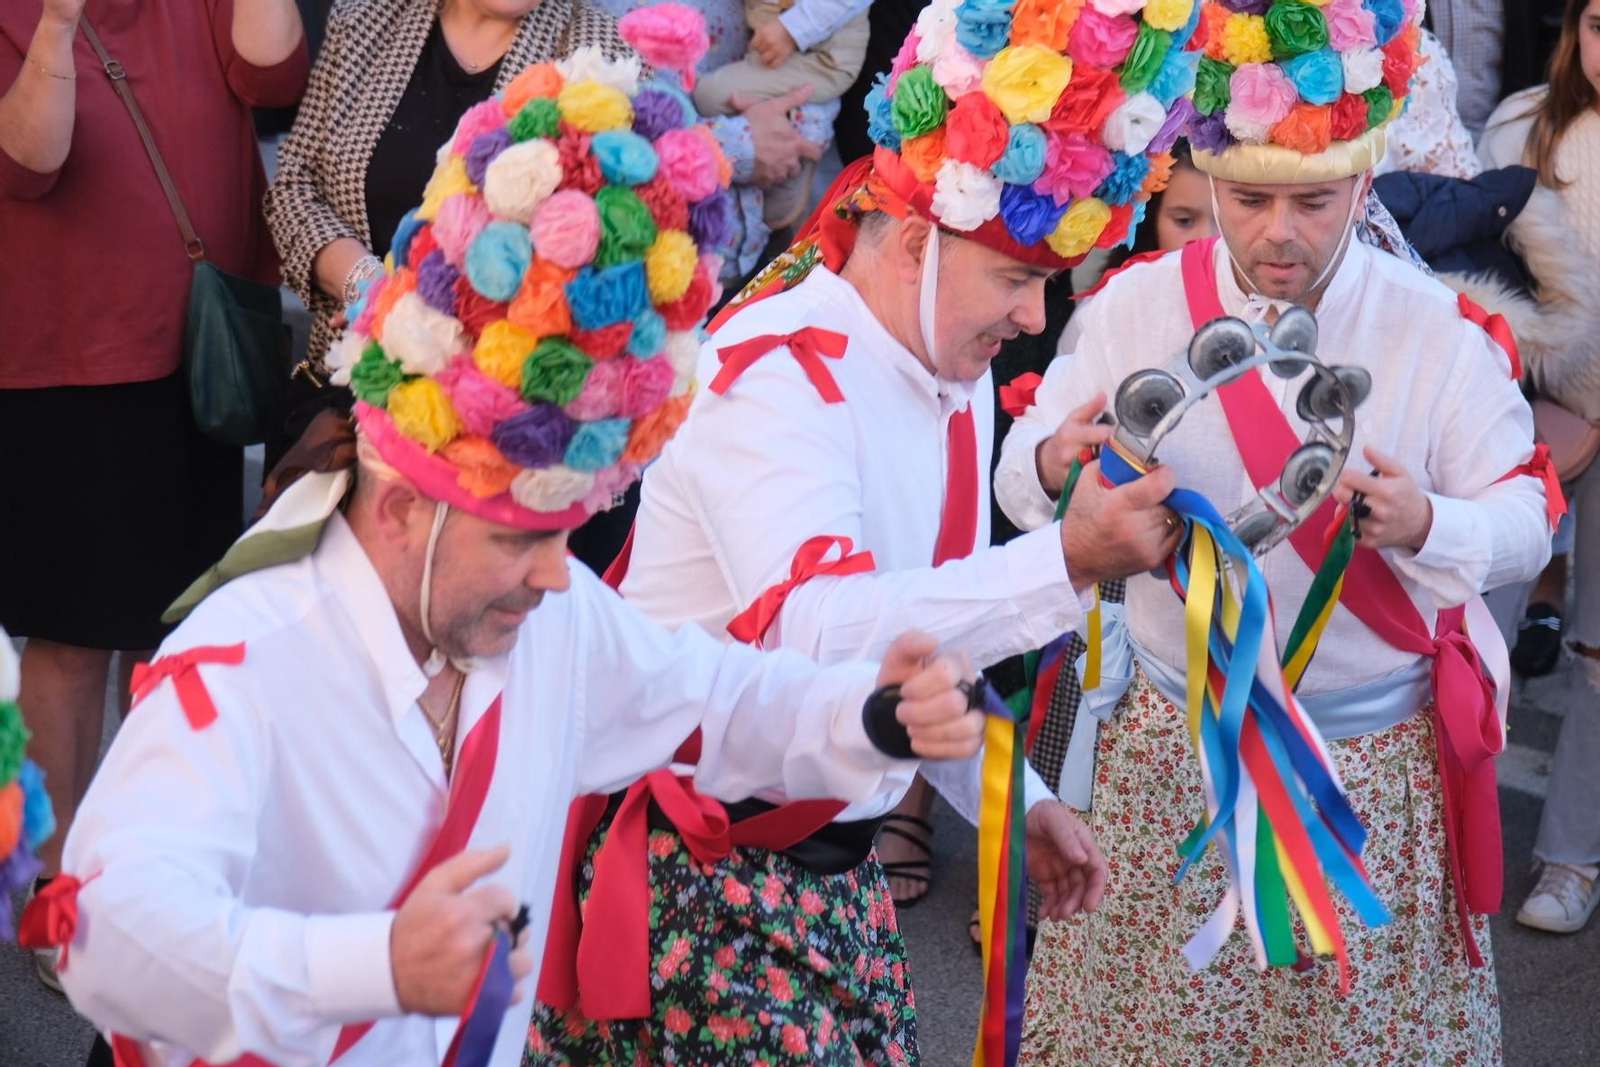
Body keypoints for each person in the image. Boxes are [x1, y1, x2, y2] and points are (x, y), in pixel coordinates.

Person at [18, 46, 991, 1067]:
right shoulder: (242, 662)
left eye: (567, 533)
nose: (555, 572)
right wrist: (373, 964)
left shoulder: (551, 616)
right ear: (399, 509)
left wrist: (871, 713)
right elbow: (106, 933)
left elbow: (716, 697)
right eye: (520, 538)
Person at [527, 3, 1195, 1060]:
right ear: (919, 241)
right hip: (701, 870)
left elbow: (916, 650)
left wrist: (1008, 796)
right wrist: (1066, 558)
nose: (1034, 319)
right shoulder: (777, 373)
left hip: (831, 865)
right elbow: (823, 634)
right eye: (1017, 280)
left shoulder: (947, 363)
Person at [1000, 3, 1556, 1063]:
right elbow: (1024, 465)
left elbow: (1526, 511)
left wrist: (1429, 519)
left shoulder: (1430, 327)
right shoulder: (1131, 307)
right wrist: (1050, 467)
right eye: (1247, 199)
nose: (1277, 232)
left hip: (1367, 770)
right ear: (1206, 178)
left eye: (1314, 199)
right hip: (1170, 756)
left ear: (1363, 181)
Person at [0, 0, 307, 993]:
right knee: (71, 640)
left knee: (178, 632)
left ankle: (152, 868)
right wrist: (56, 24)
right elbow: (26, 163)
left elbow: (274, 79)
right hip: (63, 357)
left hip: (198, 353)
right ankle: (50, 895)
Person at [263, 0, 631, 461]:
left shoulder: (604, 57)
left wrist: (426, 315)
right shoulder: (367, 19)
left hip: (499, 425)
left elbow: (609, 258)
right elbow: (295, 186)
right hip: (345, 401)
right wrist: (368, 286)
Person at [1478, 0, 1600, 935]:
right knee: (1480, 628)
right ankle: (1447, 843)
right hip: (1527, 412)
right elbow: (1480, 269)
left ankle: (1571, 858)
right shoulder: (1525, 122)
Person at [691, 0, 871, 229]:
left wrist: (792, 29)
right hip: (772, 44)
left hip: (820, 59)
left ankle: (806, 131)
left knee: (711, 96)